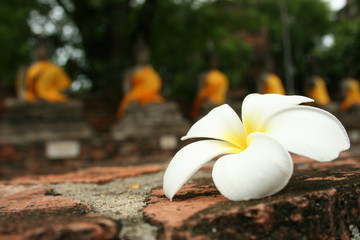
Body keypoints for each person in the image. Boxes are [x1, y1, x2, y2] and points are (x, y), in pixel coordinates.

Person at [117, 45, 164, 118]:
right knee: (133, 107)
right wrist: (132, 98)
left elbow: (156, 85)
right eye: (141, 54)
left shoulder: (150, 70)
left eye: (146, 54)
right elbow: (126, 89)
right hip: (136, 97)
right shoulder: (130, 71)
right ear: (135, 55)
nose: (144, 56)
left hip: (152, 97)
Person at [191, 48, 229, 119]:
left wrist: (224, 103)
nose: (213, 62)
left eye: (215, 59)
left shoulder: (222, 76)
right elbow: (201, 94)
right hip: (208, 105)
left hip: (221, 104)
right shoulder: (203, 76)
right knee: (208, 109)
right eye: (211, 59)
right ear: (206, 61)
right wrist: (209, 102)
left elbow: (225, 94)